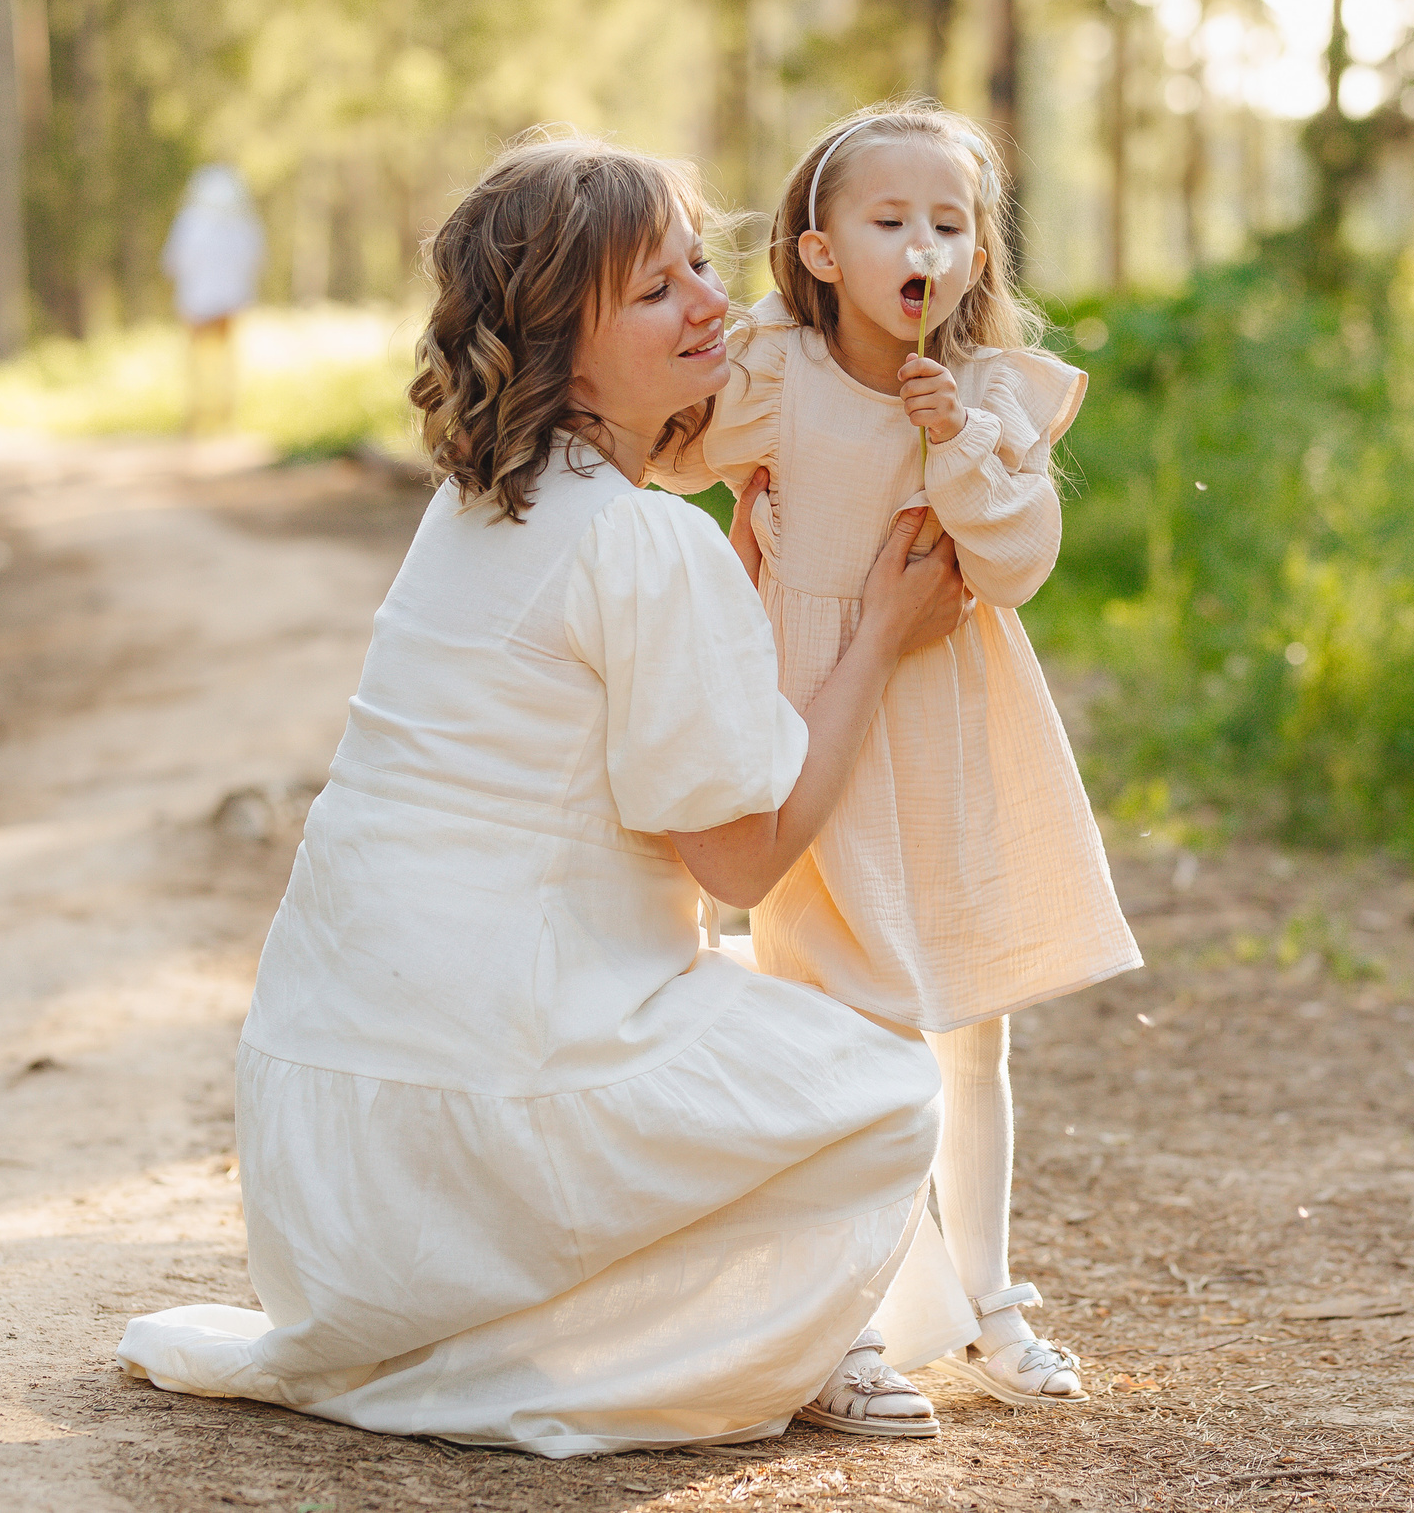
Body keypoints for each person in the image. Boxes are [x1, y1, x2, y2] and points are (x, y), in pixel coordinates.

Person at [116, 134, 974, 1453]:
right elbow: (741, 863)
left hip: (336, 1162)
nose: (712, 302)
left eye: (699, 265)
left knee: (748, 1020)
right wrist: (882, 632)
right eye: (656, 290)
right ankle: (735, 1346)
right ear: (559, 346)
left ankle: (550, 1313)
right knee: (885, 1082)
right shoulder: (639, 538)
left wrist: (740, 585)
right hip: (482, 1127)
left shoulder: (477, 507)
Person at [653, 101, 1140, 1407]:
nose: (925, 243)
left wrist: (953, 439)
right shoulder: (783, 374)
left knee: (971, 1030)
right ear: (820, 253)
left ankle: (990, 1296)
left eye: (950, 222)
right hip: (820, 720)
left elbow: (1014, 563)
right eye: (889, 219)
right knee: (844, 1027)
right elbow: (673, 459)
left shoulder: (990, 394)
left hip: (958, 729)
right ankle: (845, 1315)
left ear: (977, 252)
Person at [160, 163, 265, 434]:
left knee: (196, 364)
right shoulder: (243, 224)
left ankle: (196, 416)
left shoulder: (189, 221)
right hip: (231, 303)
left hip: (195, 303)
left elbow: (172, 263)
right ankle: (226, 416)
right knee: (227, 362)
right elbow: (256, 261)